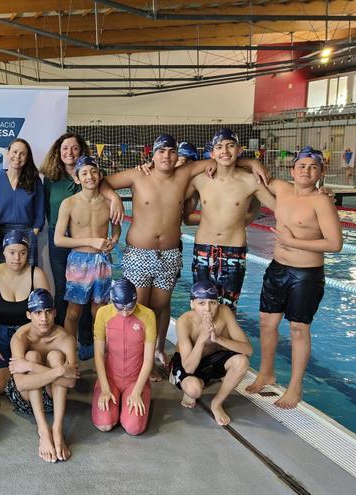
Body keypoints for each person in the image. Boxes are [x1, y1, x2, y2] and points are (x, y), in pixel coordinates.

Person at [101, 133, 268, 376]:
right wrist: (113, 197)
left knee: (159, 309)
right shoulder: (138, 175)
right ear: (152, 155)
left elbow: (220, 160)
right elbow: (102, 181)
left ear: (177, 155)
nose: (166, 156)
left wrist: (252, 162)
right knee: (138, 309)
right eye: (161, 151)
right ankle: (133, 363)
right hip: (139, 253)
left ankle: (155, 356)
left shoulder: (185, 173)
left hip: (169, 255)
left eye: (171, 151)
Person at [246, 146, 342, 409]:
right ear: (292, 170)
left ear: (321, 172)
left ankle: (295, 387)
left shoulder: (321, 201)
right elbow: (249, 170)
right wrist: (252, 163)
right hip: (278, 267)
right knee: (267, 323)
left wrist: (294, 241)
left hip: (306, 274)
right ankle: (266, 373)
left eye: (313, 167)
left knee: (299, 329)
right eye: (302, 166)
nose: (306, 171)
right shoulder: (281, 188)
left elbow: (335, 244)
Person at [185, 128, 276, 311]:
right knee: (200, 308)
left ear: (239, 150)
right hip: (203, 250)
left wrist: (317, 196)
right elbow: (183, 214)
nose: (225, 151)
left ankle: (222, 341)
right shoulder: (199, 180)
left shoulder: (251, 181)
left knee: (227, 309)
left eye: (230, 146)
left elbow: (280, 208)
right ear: (212, 153)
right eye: (219, 147)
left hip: (233, 251)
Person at [54, 156, 120, 357]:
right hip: (78, 262)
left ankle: (100, 354)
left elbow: (116, 230)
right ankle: (69, 353)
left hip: (102, 261)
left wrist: (113, 242)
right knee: (73, 312)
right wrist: (90, 241)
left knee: (99, 312)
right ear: (77, 179)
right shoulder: (69, 203)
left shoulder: (110, 202)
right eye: (84, 173)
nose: (89, 176)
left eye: (93, 172)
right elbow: (58, 240)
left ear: (100, 175)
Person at [41, 132, 98, 357]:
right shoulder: (51, 178)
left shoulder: (89, 175)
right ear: (58, 151)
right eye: (65, 148)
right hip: (59, 239)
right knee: (63, 290)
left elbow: (106, 192)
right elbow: (47, 208)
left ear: (81, 150)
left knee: (85, 291)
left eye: (74, 148)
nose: (69, 153)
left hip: (84, 242)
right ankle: (64, 339)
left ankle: (85, 339)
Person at [5, 289, 79, 463]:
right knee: (32, 356)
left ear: (54, 312)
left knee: (55, 357)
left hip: (54, 398)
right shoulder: (20, 338)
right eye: (38, 313)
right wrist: (60, 371)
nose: (44, 319)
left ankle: (57, 429)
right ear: (29, 315)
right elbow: (22, 384)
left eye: (47, 312)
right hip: (25, 400)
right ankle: (44, 431)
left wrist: (32, 367)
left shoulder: (65, 338)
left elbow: (71, 383)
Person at [0, 230, 50, 397]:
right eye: (12, 252)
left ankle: (23, 379)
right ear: (4, 252)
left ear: (28, 253)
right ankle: (21, 379)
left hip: (29, 336)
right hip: (0, 336)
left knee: (32, 375)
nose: (17, 258)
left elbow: (47, 313)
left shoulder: (36, 274)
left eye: (22, 252)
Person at [170, 282, 253, 426]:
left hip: (212, 360)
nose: (207, 309)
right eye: (201, 303)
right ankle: (188, 378)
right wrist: (202, 339)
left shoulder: (225, 312)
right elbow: (189, 368)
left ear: (217, 303)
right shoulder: (184, 321)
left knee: (242, 361)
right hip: (188, 361)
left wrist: (218, 339)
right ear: (192, 304)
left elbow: (248, 350)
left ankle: (217, 403)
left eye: (212, 303)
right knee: (194, 390)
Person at [92, 279, 155, 435]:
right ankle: (116, 402)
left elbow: (148, 360)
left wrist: (137, 391)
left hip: (135, 380)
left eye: (130, 307)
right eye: (120, 308)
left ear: (136, 300)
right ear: (113, 301)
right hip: (110, 378)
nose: (125, 313)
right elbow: (99, 355)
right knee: (104, 424)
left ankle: (126, 401)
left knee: (134, 428)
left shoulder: (148, 315)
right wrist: (105, 389)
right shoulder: (103, 313)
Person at [0, 138, 44, 265]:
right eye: (14, 152)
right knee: (2, 277)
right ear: (7, 154)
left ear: (27, 158)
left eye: (22, 154)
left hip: (27, 234)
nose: (18, 157)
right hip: (1, 235)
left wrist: (33, 234)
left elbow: (40, 211)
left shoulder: (35, 181)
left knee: (27, 277)